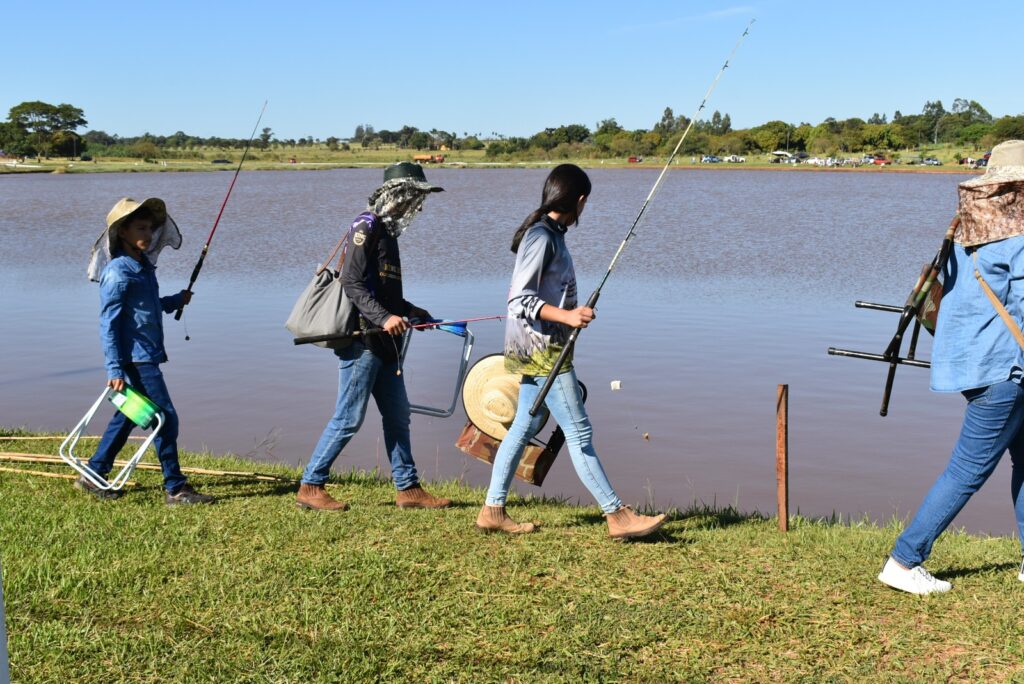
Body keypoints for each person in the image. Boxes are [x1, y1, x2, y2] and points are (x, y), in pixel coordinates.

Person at [476, 163, 667, 539]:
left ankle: (492, 509)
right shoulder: (542, 237)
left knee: (524, 425)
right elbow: (519, 299)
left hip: (539, 348)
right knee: (579, 433)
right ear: (579, 201)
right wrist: (567, 315)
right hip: (544, 352)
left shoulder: (550, 233)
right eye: (586, 203)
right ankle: (617, 515)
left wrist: (569, 316)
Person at [878, 140, 1024, 594]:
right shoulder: (1018, 234)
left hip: (976, 362)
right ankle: (904, 560)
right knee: (968, 469)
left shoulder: (967, 228)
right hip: (1004, 369)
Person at [297, 163, 451, 511]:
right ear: (393, 195)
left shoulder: (390, 235)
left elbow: (386, 293)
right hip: (362, 343)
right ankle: (311, 484)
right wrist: (384, 318)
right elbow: (352, 283)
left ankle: (408, 488)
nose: (416, 206)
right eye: (412, 196)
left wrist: (413, 312)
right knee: (348, 417)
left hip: (386, 345)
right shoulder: (365, 226)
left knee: (398, 416)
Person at [80, 197, 214, 505]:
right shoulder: (118, 272)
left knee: (129, 416)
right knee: (165, 418)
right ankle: (176, 488)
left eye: (151, 228)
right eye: (141, 227)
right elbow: (109, 324)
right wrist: (113, 369)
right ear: (122, 232)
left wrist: (175, 300)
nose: (150, 234)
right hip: (136, 359)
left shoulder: (142, 267)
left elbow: (147, 309)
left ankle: (93, 473)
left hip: (146, 354)